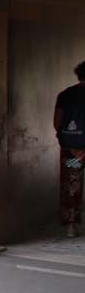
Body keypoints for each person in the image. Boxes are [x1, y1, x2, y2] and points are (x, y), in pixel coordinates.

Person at [54, 61, 85, 237]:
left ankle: (71, 225)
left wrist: (68, 143)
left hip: (71, 149)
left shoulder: (65, 95)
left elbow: (57, 122)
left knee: (71, 184)